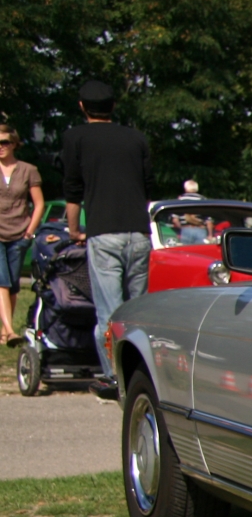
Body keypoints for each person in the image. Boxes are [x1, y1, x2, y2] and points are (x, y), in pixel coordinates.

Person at [63, 79, 154, 396]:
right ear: (114, 106)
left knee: (110, 312)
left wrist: (75, 230)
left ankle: (115, 377)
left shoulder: (76, 138)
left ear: (82, 107)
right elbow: (147, 185)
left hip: (103, 233)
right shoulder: (136, 138)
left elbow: (73, 193)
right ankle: (142, 373)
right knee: (137, 310)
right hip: (139, 233)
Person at [0, 125, 45, 346]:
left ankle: (3, 330)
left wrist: (30, 231)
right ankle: (9, 330)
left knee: (13, 284)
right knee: (2, 282)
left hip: (20, 233)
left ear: (14, 144)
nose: (0, 147)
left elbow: (39, 204)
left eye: (4, 143)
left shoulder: (28, 170)